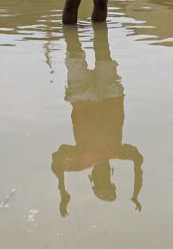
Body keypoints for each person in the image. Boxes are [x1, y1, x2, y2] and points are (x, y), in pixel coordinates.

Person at [50, 25, 143, 216]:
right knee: (79, 51)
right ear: (94, 179)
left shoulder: (110, 154)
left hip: (102, 96)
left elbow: (138, 159)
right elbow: (57, 160)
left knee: (100, 50)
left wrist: (63, 192)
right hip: (91, 97)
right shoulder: (86, 160)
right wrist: (62, 190)